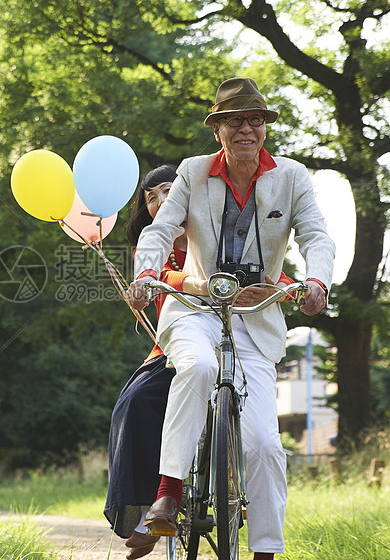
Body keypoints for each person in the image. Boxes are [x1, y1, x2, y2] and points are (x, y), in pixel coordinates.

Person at [125, 77, 335, 560]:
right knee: (196, 368)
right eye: (235, 120)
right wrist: (146, 273)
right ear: (218, 128)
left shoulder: (292, 176)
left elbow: (318, 238)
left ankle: (264, 551)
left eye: (255, 120)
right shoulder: (194, 172)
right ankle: (169, 493)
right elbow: (159, 232)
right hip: (195, 309)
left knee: (263, 443)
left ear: (265, 127)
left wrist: (316, 283)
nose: (247, 129)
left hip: (258, 316)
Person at [107, 164, 295, 560]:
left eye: (167, 192)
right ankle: (148, 511)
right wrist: (183, 283)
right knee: (136, 402)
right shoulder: (156, 240)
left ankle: (237, 494)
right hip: (177, 344)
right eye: (151, 197)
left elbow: (265, 269)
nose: (160, 202)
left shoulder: (212, 223)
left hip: (237, 334)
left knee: (263, 439)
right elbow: (165, 274)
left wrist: (291, 287)